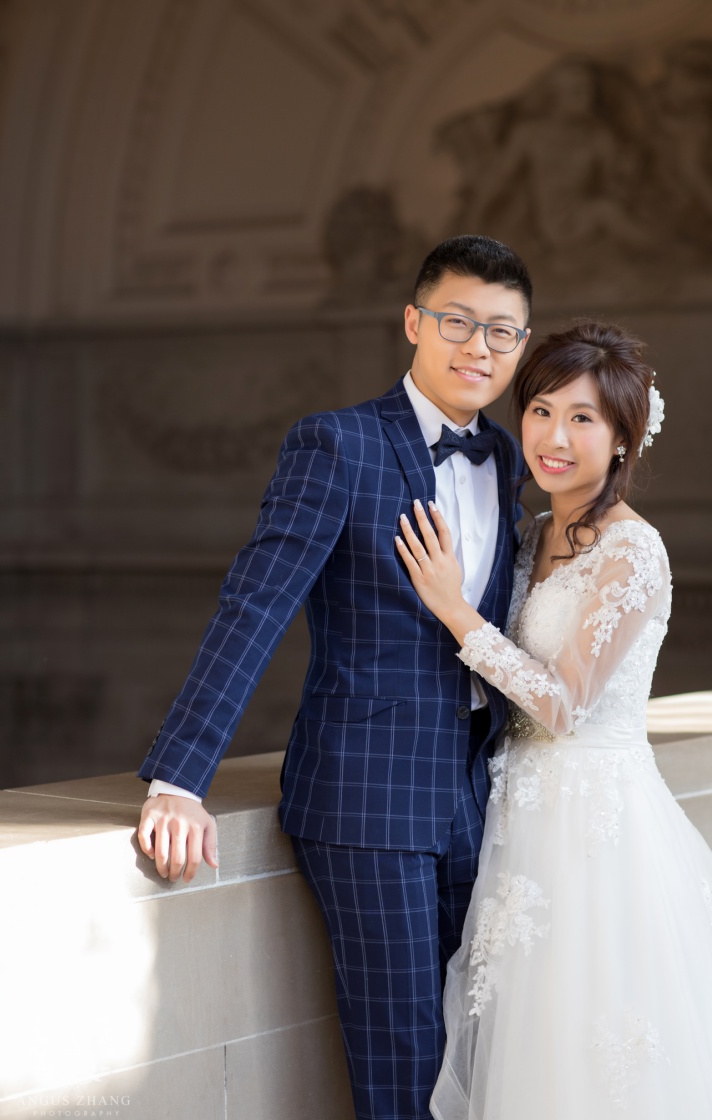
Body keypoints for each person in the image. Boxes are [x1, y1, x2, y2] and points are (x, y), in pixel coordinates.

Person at [136, 234, 532, 1120]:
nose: (478, 347)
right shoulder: (337, 444)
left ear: (520, 345)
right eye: (457, 322)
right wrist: (179, 779)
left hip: (473, 793)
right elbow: (255, 606)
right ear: (413, 324)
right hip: (366, 797)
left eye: (500, 332)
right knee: (401, 1064)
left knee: (479, 1058)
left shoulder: (506, 456)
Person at [396, 320, 712, 1118]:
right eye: (541, 410)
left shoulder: (631, 551)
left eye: (581, 418)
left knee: (590, 1045)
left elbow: (563, 704)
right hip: (513, 813)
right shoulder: (531, 534)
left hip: (592, 829)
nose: (553, 437)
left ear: (621, 440)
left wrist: (453, 609)